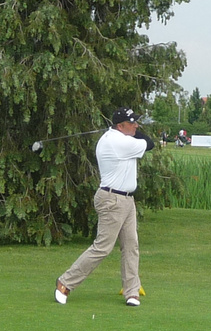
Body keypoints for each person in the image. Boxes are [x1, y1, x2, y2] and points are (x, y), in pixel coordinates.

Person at [55, 108, 155, 307]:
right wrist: (136, 133)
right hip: (112, 200)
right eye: (132, 123)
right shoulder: (118, 141)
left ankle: (131, 291)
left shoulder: (120, 137)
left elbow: (142, 139)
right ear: (120, 126)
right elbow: (150, 143)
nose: (136, 126)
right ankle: (65, 282)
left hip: (126, 200)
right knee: (102, 247)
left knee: (131, 245)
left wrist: (132, 130)